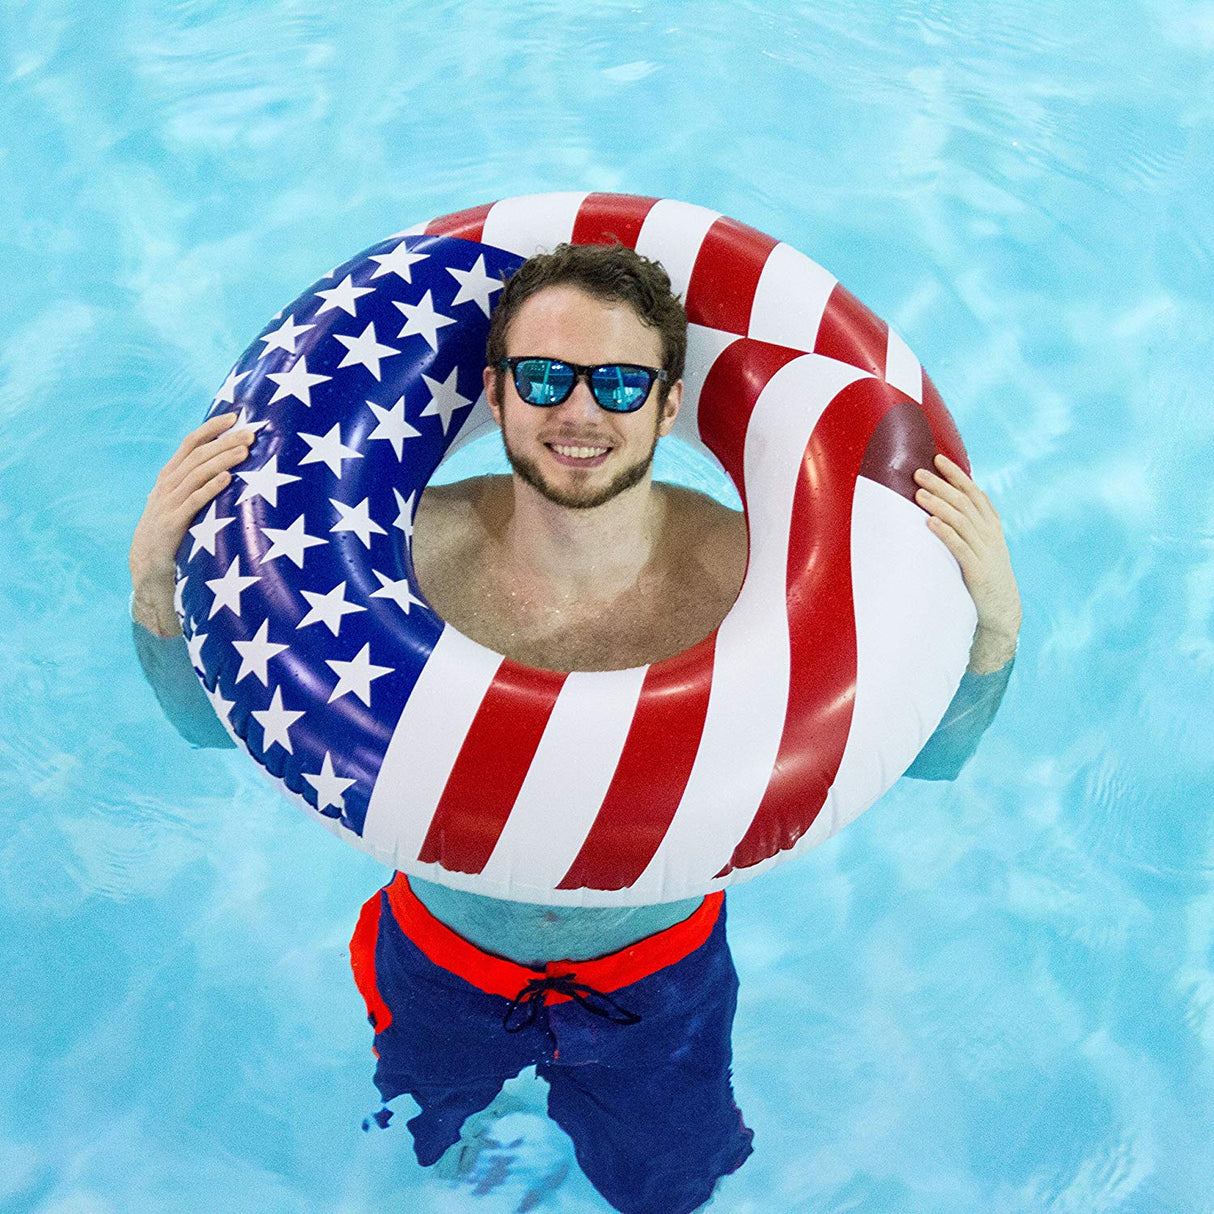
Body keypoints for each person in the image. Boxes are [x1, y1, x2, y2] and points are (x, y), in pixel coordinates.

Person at [129, 243, 1021, 1213]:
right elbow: (210, 732)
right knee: (432, 1135)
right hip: (439, 955)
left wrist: (992, 628)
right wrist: (153, 587)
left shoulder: (751, 581)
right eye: (544, 376)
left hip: (658, 979)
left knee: (667, 1184)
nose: (579, 411)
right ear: (494, 392)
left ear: (669, 405)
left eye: (620, 382)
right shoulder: (402, 559)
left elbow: (932, 760)